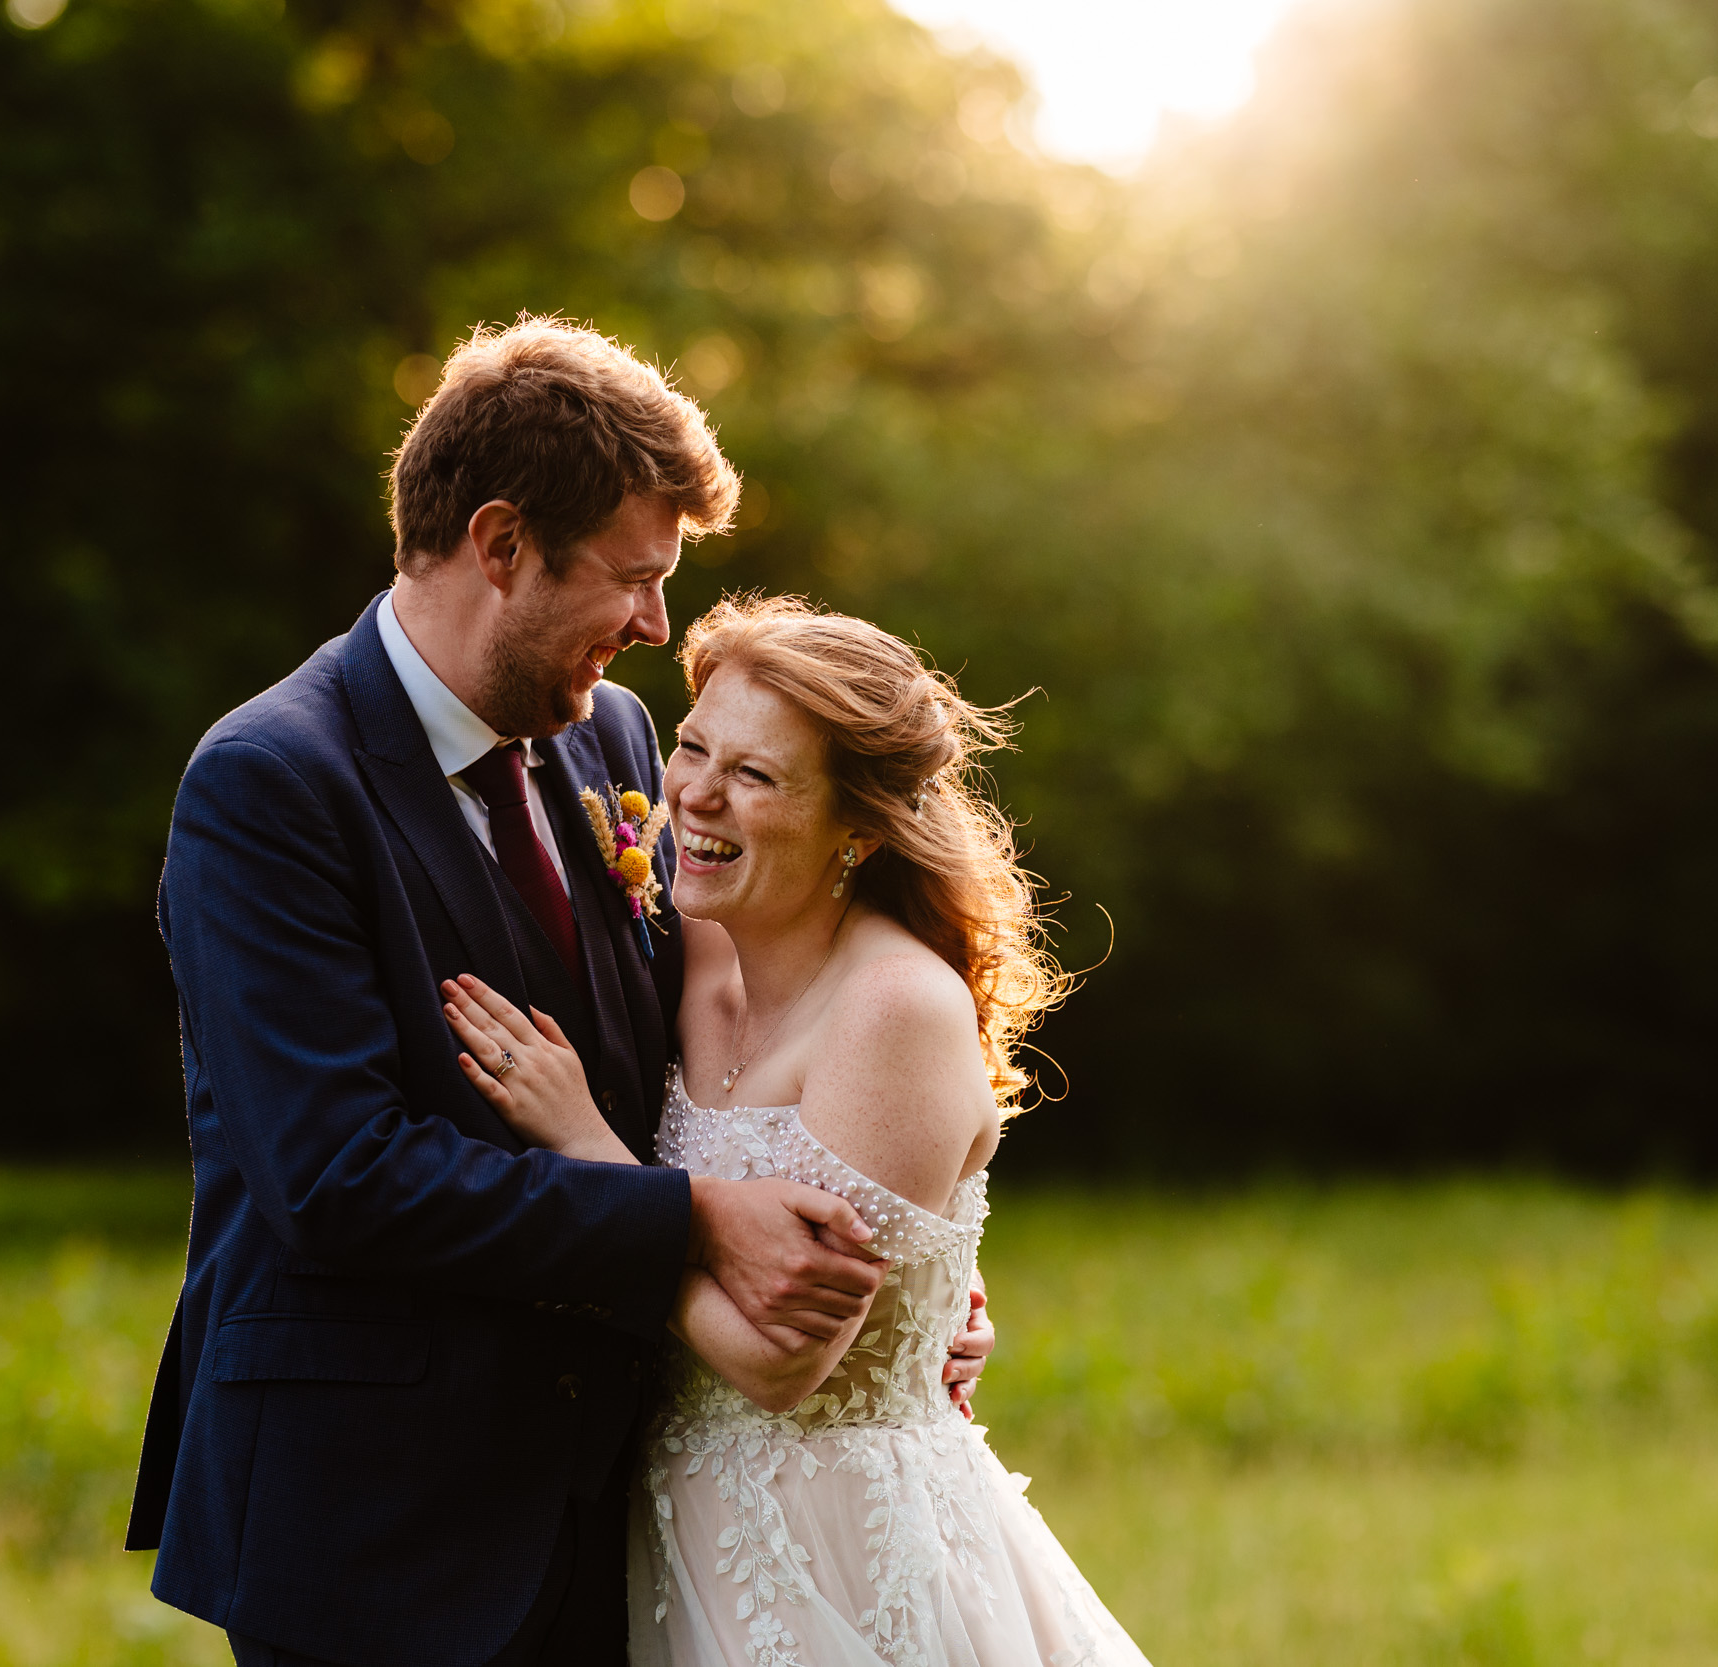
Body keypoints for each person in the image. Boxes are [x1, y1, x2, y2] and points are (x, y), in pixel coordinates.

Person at [128, 318, 993, 1667]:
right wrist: (706, 1216)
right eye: (636, 579)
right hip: (382, 1514)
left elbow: (675, 1058)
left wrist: (902, 1294)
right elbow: (337, 1175)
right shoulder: (270, 781)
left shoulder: (614, 734)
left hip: (623, 1496)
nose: (655, 626)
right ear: (502, 545)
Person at [438, 595, 1154, 1667]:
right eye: (690, 746)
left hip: (844, 1555)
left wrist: (584, 1146)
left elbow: (781, 1365)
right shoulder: (692, 948)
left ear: (857, 826)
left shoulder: (895, 1007)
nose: (693, 792)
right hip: (677, 1534)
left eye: (757, 775)